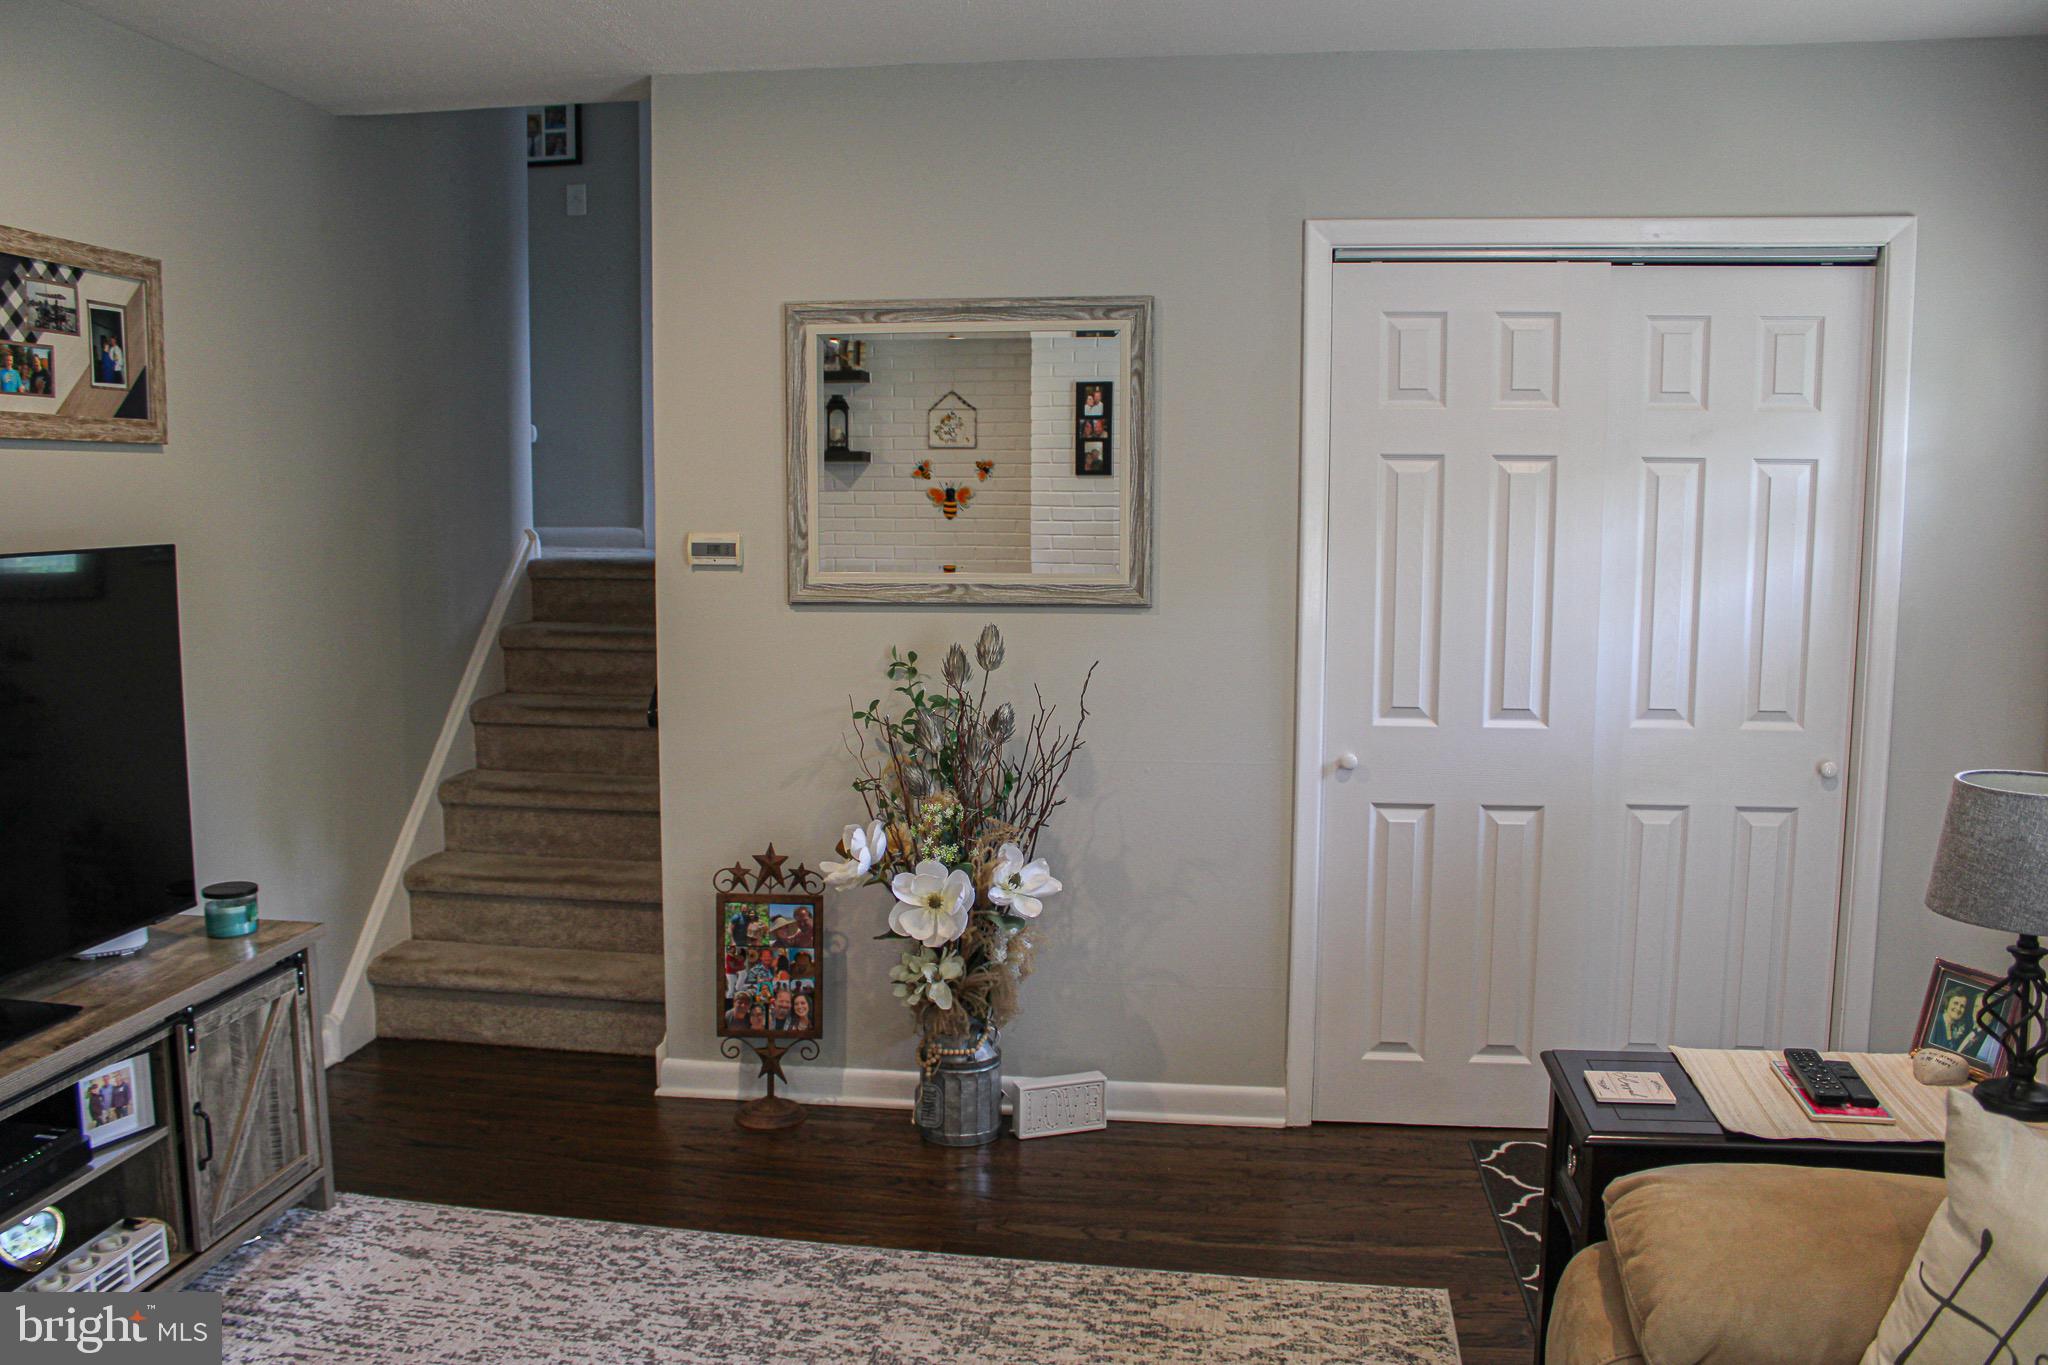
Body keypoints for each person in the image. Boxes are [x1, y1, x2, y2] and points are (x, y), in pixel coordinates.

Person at [1929, 985, 1989, 1056]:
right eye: (1955, 1003)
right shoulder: (1935, 1021)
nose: (1958, 1008)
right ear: (1947, 1002)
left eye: (1962, 1006)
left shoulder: (1959, 1028)